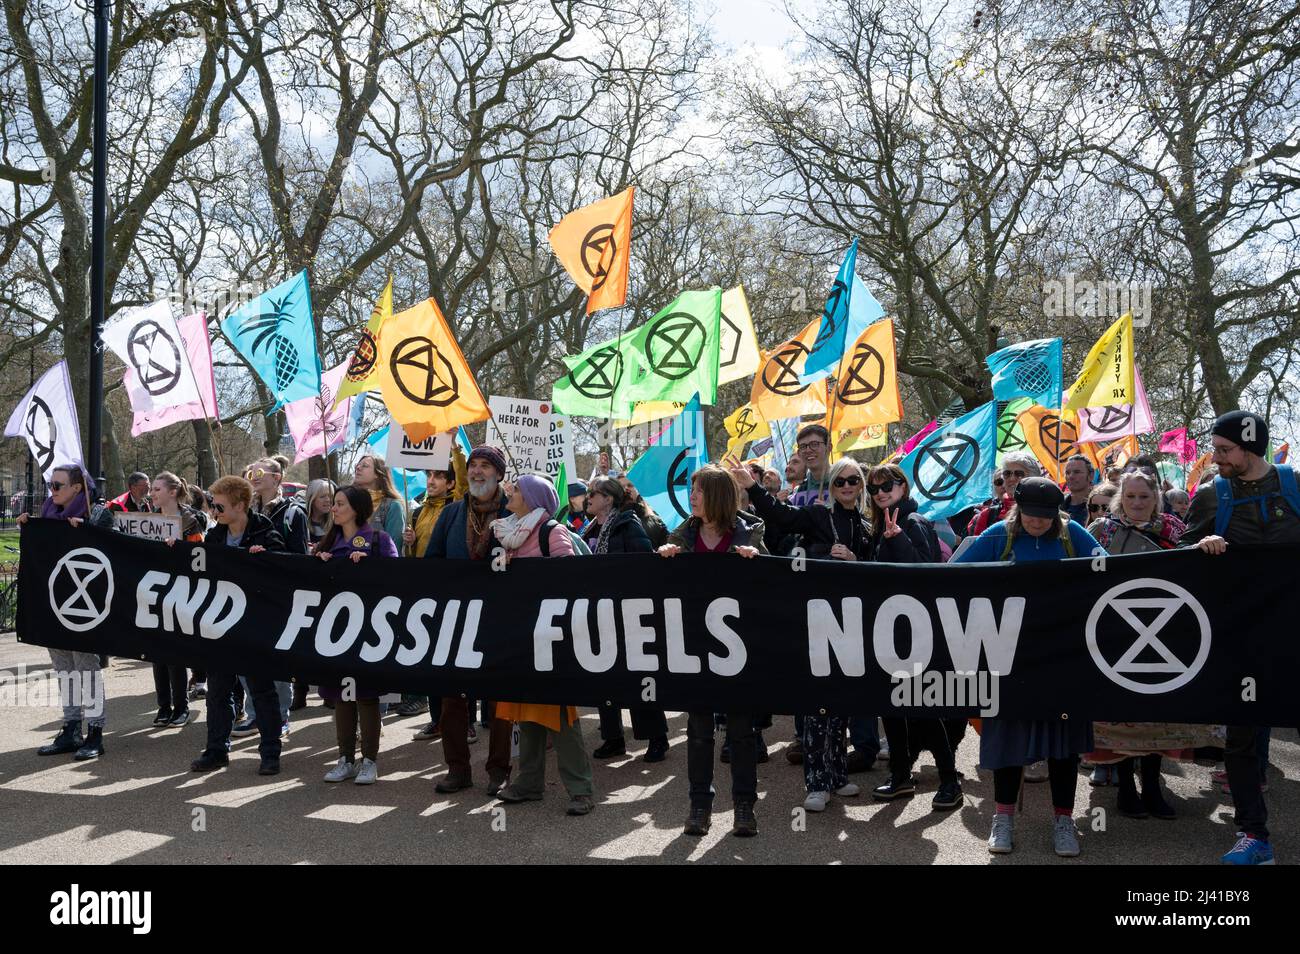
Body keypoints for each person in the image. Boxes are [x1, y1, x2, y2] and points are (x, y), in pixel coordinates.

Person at [954, 477, 1101, 858]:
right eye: (1032, 517)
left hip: (1063, 655)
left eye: (1046, 517)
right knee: (1007, 737)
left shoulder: (1073, 534)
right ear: (1018, 510)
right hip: (1008, 655)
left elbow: (1107, 570)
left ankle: (1064, 821)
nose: (1038, 524)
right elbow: (954, 574)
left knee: (1064, 742)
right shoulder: (997, 535)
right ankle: (1002, 818)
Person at [1180, 410, 1300, 865]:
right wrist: (1202, 547)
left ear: (1249, 449)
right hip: (1242, 638)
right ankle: (1254, 837)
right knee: (1241, 741)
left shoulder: (1296, 486)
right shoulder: (1213, 496)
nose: (1216, 458)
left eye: (1224, 450)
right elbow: (1179, 564)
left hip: (1293, 635)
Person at [733, 454, 879, 790]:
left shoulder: (866, 525)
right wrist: (754, 488)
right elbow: (780, 516)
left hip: (851, 623)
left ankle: (838, 775)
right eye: (839, 481)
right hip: (816, 620)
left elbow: (877, 571)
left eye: (852, 480)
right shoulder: (817, 515)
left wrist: (855, 559)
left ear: (860, 487)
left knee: (842, 703)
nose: (846, 486)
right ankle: (815, 784)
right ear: (831, 487)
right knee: (816, 705)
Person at [1083, 471, 1212, 820]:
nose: (1137, 503)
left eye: (1144, 497)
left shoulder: (1176, 531)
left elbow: (1195, 574)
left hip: (1163, 631)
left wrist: (1208, 546)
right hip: (1114, 635)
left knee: (1156, 712)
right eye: (1130, 497)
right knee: (1121, 713)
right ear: (1119, 499)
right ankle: (1126, 789)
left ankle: (1153, 788)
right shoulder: (1101, 531)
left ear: (1156, 497)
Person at [659, 464, 767, 837]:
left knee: (741, 731)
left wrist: (757, 560)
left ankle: (743, 807)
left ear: (718, 495)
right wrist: (668, 555)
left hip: (738, 648)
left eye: (699, 490)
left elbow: (772, 582)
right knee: (699, 730)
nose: (692, 497)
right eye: (692, 490)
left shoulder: (751, 530)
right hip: (696, 647)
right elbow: (659, 577)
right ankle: (699, 805)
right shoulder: (684, 532)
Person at [492, 474, 597, 815]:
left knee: (561, 716)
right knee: (526, 710)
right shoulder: (506, 531)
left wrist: (527, 571)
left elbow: (569, 577)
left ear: (533, 498)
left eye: (517, 488)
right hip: (519, 632)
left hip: (551, 637)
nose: (510, 491)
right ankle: (528, 783)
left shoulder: (552, 531)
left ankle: (580, 790)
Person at [863, 464, 966, 811]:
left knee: (922, 707)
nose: (879, 492)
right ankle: (900, 775)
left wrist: (899, 539)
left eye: (887, 485)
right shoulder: (883, 524)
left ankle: (949, 779)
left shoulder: (913, 522)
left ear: (903, 487)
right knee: (890, 706)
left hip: (916, 630)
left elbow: (927, 571)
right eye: (874, 487)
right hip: (889, 629)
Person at [423, 445, 514, 795]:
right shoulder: (450, 515)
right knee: (452, 701)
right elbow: (433, 563)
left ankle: (498, 771)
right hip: (456, 620)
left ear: (499, 474)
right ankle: (457, 770)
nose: (477, 471)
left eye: (485, 466)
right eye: (473, 465)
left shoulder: (515, 511)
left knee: (499, 701)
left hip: (500, 620)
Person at [191, 475, 287, 776]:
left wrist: (267, 558)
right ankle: (216, 750)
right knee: (218, 691)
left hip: (255, 625)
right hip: (221, 624)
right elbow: (201, 568)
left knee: (261, 689)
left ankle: (271, 752)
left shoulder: (265, 530)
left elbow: (285, 565)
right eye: (213, 504)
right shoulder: (215, 536)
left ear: (240, 505)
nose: (214, 511)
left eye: (219, 505)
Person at [19, 465, 115, 760]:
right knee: (64, 669)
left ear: (77, 487)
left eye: (58, 485)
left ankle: (96, 732)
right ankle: (72, 728)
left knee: (86, 668)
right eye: (50, 485)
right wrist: (29, 526)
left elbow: (113, 552)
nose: (52, 490)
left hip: (84, 609)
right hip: (53, 605)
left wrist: (87, 532)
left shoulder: (99, 513)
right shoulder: (47, 514)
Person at [316, 486, 400, 786]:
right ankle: (345, 759)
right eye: (334, 504)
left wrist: (369, 566)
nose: (334, 509)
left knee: (366, 695)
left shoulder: (379, 540)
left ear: (357, 509)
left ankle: (370, 761)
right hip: (335, 631)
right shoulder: (328, 543)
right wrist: (319, 563)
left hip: (370, 630)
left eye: (340, 504)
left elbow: (397, 578)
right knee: (341, 695)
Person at [583, 476, 669, 763]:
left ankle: (657, 737)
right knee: (604, 675)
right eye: (588, 493)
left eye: (594, 493)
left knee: (637, 675)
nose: (588, 497)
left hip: (628, 611)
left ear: (609, 498)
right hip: (602, 610)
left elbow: (643, 564)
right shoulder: (591, 528)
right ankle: (613, 738)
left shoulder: (627, 523)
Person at [149, 472, 206, 728]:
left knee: (174, 654)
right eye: (151, 489)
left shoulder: (190, 520)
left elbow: (200, 558)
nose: (152, 494)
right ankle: (163, 707)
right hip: (151, 592)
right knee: (156, 653)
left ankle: (180, 707)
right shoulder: (145, 518)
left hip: (180, 592)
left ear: (172, 492)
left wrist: (178, 547)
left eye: (157, 489)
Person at [966, 452, 1040, 537]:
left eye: (1019, 474)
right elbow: (978, 549)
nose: (1012, 478)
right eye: (1007, 474)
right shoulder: (987, 516)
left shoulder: (1048, 511)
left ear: (1034, 478)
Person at [353, 454, 406, 543]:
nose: (358, 468)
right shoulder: (349, 502)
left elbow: (394, 548)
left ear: (377, 474)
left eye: (365, 466)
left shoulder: (393, 507)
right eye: (357, 465)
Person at [615, 474, 668, 548]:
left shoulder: (655, 520)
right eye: (621, 487)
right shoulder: (608, 520)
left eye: (630, 485)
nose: (626, 489)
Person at [789, 424, 831, 506]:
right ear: (799, 453)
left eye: (814, 444)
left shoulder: (845, 483)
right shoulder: (799, 491)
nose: (808, 450)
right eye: (803, 446)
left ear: (829, 448)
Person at [304, 478, 337, 548]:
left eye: (331, 496)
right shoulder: (302, 521)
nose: (328, 500)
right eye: (322, 496)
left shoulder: (336, 523)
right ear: (312, 499)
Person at [1061, 454, 1094, 524]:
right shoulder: (1058, 504)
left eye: (1077, 472)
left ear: (1091, 476)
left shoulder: (1100, 506)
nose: (1071, 476)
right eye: (1067, 473)